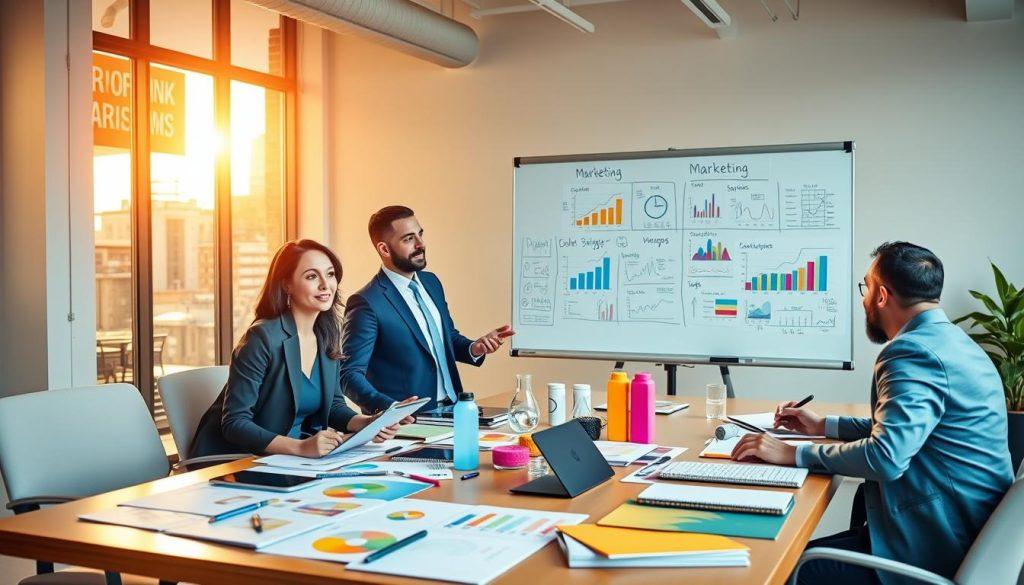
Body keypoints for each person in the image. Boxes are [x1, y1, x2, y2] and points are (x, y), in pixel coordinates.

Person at [731, 241, 1014, 585]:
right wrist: (824, 424)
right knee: (791, 553)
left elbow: (886, 457)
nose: (863, 299)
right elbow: (908, 432)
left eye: (866, 287)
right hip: (962, 534)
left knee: (780, 570)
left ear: (881, 295)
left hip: (934, 550)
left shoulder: (911, 352)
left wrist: (793, 453)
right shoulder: (955, 343)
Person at [191, 239, 415, 459]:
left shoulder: (326, 333)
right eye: (311, 276)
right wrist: (300, 447)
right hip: (240, 460)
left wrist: (368, 423)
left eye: (330, 274)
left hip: (293, 460)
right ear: (286, 284)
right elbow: (235, 423)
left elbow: (334, 406)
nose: (325, 285)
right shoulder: (262, 337)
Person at [341, 206, 515, 414]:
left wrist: (474, 348)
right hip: (407, 425)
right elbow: (349, 375)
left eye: (420, 234)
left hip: (453, 410)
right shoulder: (366, 303)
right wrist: (391, 410)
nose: (421, 244)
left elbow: (446, 337)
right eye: (408, 239)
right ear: (384, 249)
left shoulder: (431, 283)